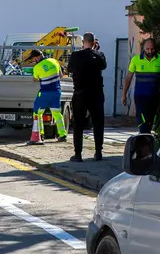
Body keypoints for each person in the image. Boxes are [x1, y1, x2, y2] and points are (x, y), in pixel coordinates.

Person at [67, 32, 107, 161]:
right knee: (98, 123)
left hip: (80, 94)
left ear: (83, 41)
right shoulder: (99, 55)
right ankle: (98, 152)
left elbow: (70, 69)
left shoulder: (76, 55)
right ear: (94, 42)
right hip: (96, 94)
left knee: (78, 124)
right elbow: (103, 66)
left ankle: (78, 154)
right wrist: (96, 50)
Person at [122, 38, 160, 134]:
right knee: (142, 120)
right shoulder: (136, 60)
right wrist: (124, 94)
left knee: (150, 120)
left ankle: (146, 139)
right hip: (140, 96)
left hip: (154, 96)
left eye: (152, 49)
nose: (150, 51)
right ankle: (143, 138)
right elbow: (128, 77)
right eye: (147, 49)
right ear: (143, 48)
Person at [28, 49, 67, 143]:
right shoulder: (54, 61)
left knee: (37, 113)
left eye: (33, 59)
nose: (34, 61)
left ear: (37, 57)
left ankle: (40, 134)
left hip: (45, 93)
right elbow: (61, 76)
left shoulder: (37, 67)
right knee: (57, 114)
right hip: (56, 92)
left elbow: (36, 79)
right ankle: (62, 135)